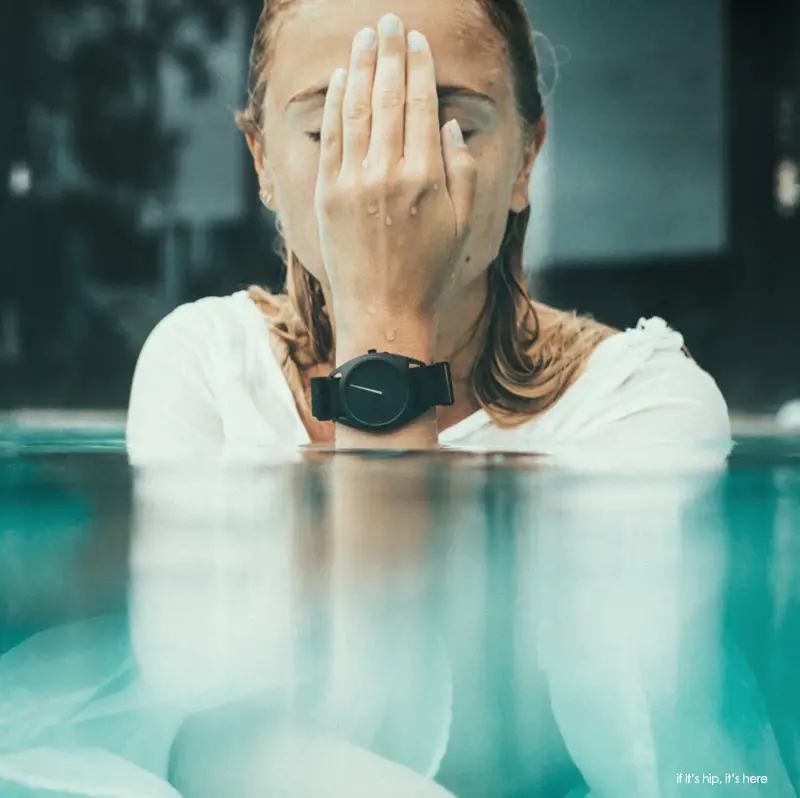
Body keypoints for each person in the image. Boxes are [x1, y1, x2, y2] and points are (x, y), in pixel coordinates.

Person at [126, 0, 731, 463]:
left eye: (449, 128)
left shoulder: (639, 402)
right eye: (329, 130)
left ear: (526, 158)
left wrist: (384, 315)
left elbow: (395, 624)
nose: (389, 177)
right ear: (263, 163)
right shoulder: (209, 368)